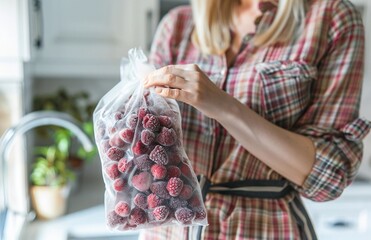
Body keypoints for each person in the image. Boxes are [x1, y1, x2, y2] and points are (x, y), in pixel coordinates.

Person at [141, 0, 371, 239]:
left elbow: (329, 176)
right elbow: (142, 148)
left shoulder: (331, 18)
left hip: (262, 228)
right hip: (166, 229)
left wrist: (222, 105)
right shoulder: (178, 25)